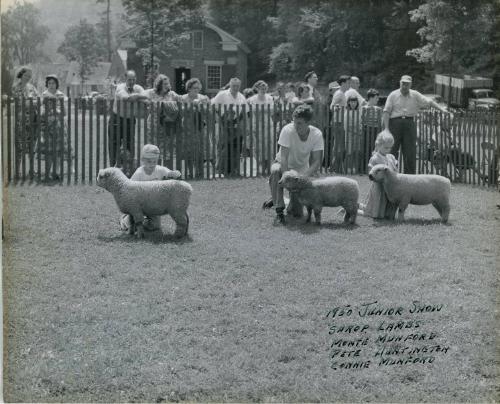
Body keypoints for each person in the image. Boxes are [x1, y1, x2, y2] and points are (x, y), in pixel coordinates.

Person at [263, 104, 324, 225]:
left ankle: (276, 200)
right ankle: (279, 210)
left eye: (299, 123)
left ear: (308, 123)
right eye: (294, 122)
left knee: (296, 213)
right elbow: (284, 157)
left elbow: (317, 161)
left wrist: (302, 178)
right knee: (275, 171)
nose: (295, 126)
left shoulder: (317, 135)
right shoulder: (287, 130)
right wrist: (287, 176)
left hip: (301, 170)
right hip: (282, 165)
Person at [383, 74, 449, 174]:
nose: (405, 86)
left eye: (407, 84)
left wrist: (442, 110)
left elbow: (430, 102)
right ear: (400, 83)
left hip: (410, 124)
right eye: (403, 83)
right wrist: (386, 129)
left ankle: (409, 177)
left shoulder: (415, 95)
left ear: (411, 85)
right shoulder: (393, 95)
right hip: (394, 124)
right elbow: (386, 112)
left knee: (410, 152)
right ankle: (391, 175)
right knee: (392, 151)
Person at [119, 144, 181, 232]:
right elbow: (130, 185)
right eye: (149, 161)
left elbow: (169, 173)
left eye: (154, 161)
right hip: (140, 203)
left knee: (155, 226)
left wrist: (174, 173)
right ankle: (126, 219)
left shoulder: (159, 170)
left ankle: (143, 223)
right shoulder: (139, 173)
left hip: (154, 204)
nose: (152, 164)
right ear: (142, 160)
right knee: (130, 224)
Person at [108, 70, 147, 168]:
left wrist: (137, 96)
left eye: (134, 79)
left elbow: (147, 96)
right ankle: (113, 167)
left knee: (130, 144)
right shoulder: (120, 87)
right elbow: (125, 98)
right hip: (116, 119)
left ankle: (129, 167)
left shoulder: (138, 88)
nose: (132, 82)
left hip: (130, 120)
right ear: (125, 79)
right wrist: (138, 97)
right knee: (114, 144)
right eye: (129, 80)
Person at [37, 75, 73, 180]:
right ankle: (48, 173)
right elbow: (41, 110)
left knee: (58, 149)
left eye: (53, 83)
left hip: (58, 124)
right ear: (47, 84)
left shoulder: (60, 95)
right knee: (49, 149)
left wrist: (56, 111)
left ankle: (55, 172)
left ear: (57, 84)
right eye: (49, 83)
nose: (51, 85)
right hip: (47, 124)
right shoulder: (44, 94)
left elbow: (64, 112)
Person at [211, 77, 247, 176]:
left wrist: (243, 126)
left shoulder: (242, 97)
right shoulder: (222, 94)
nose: (236, 87)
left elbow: (245, 113)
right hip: (223, 125)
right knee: (223, 148)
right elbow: (213, 108)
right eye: (233, 86)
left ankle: (233, 170)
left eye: (237, 86)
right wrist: (219, 122)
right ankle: (221, 170)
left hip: (237, 127)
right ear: (230, 85)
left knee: (236, 148)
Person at [359, 130, 398, 219]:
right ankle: (354, 209)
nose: (388, 150)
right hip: (378, 187)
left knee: (384, 208)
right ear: (378, 145)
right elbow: (371, 172)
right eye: (385, 148)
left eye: (390, 148)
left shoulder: (390, 157)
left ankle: (363, 207)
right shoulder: (375, 158)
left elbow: (395, 168)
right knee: (371, 212)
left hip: (388, 187)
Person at [144, 74, 182, 166]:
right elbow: (141, 96)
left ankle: (166, 173)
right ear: (159, 84)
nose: (167, 86)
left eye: (168, 84)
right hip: (153, 126)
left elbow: (182, 99)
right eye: (164, 84)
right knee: (153, 149)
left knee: (167, 150)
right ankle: (154, 171)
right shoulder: (151, 93)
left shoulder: (172, 94)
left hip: (167, 126)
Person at [180, 78, 210, 179]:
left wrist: (202, 106)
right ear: (189, 88)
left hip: (200, 127)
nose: (196, 89)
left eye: (198, 87)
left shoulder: (204, 98)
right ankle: (190, 172)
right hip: (187, 128)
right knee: (188, 151)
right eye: (194, 88)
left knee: (200, 150)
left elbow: (208, 113)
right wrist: (192, 105)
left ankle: (200, 172)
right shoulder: (183, 98)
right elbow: (181, 112)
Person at [12, 66, 39, 175]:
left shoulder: (32, 87)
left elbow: (38, 100)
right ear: (21, 74)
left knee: (32, 146)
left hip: (32, 121)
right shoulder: (15, 87)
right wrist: (31, 103)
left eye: (30, 76)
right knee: (19, 146)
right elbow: (20, 102)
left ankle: (31, 170)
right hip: (21, 122)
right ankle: (17, 171)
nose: (28, 78)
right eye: (26, 75)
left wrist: (33, 103)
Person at [248, 80, 275, 174]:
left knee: (269, 146)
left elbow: (272, 110)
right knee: (258, 147)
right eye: (261, 88)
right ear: (257, 89)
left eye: (265, 88)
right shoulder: (253, 99)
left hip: (268, 125)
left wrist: (261, 109)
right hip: (257, 125)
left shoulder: (270, 98)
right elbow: (254, 110)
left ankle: (269, 167)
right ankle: (261, 168)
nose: (263, 90)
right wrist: (265, 109)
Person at [329, 75, 350, 173]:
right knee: (338, 145)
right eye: (348, 82)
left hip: (340, 121)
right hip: (338, 122)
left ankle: (335, 167)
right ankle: (334, 167)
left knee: (339, 145)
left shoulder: (342, 93)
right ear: (343, 83)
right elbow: (332, 106)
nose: (349, 84)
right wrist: (336, 108)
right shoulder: (339, 93)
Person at [361, 89, 382, 173]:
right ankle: (364, 167)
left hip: (375, 129)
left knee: (375, 148)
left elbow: (379, 121)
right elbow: (362, 119)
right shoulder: (364, 108)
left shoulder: (378, 109)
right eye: (376, 98)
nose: (378, 99)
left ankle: (373, 167)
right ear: (370, 98)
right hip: (367, 129)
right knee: (366, 148)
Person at [344, 95, 363, 174]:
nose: (353, 103)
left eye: (354, 102)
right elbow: (346, 126)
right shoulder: (346, 113)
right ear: (348, 102)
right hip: (349, 135)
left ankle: (355, 169)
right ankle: (346, 169)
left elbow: (361, 123)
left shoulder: (358, 112)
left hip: (358, 135)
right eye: (351, 101)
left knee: (357, 152)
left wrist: (359, 130)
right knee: (349, 153)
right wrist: (356, 131)